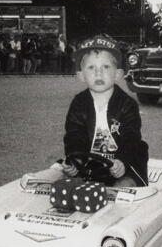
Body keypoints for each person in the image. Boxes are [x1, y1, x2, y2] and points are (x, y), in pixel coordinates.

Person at [25, 35, 149, 189]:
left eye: (106, 67)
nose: (98, 73)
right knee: (62, 168)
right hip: (89, 162)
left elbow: (131, 137)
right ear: (81, 75)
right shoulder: (79, 103)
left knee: (124, 185)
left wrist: (122, 161)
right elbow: (74, 135)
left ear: (118, 74)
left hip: (123, 163)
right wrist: (75, 162)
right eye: (91, 68)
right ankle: (38, 182)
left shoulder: (127, 104)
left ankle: (121, 196)